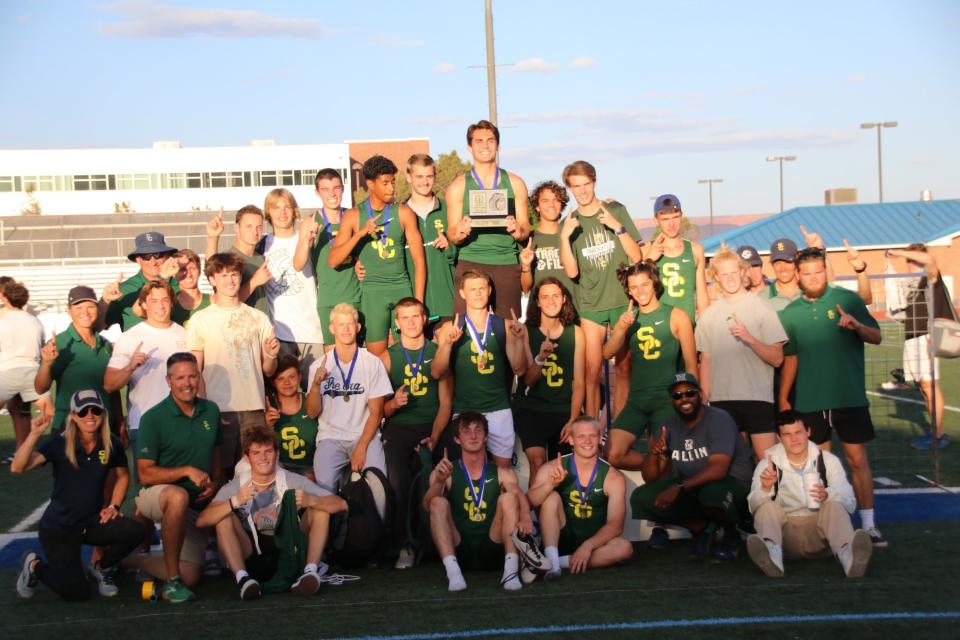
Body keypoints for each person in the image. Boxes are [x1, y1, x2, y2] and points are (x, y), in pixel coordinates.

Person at [778, 247, 886, 547]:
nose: (814, 277)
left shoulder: (847, 300)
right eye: (807, 272)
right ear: (798, 276)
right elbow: (791, 358)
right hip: (810, 402)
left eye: (819, 271)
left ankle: (868, 525)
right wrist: (784, 398)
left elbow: (876, 337)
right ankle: (826, 527)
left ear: (825, 270)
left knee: (857, 461)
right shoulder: (790, 313)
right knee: (817, 467)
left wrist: (856, 325)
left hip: (848, 398)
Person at [13, 390, 143, 600]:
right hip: (59, 527)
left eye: (95, 410)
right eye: (82, 411)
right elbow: (18, 468)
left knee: (134, 531)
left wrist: (114, 506)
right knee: (77, 593)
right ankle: (34, 566)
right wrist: (35, 434)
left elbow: (123, 476)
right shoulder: (59, 443)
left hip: (92, 523)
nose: (89, 415)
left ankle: (100, 567)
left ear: (103, 413)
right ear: (73, 416)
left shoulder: (112, 443)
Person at [196, 427, 347, 600]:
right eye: (256, 453)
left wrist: (311, 501)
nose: (263, 458)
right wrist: (235, 501)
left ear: (277, 454)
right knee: (223, 517)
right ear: (247, 458)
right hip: (251, 552)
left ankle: (310, 572)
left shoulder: (291, 479)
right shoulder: (238, 485)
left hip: (289, 549)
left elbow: (341, 504)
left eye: (268, 451)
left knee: (320, 509)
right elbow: (202, 521)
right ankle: (242, 578)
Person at [630, 373, 754, 560]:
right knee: (642, 497)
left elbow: (718, 469)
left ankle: (732, 533)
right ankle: (704, 528)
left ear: (700, 395)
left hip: (731, 484)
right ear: (672, 400)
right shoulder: (668, 424)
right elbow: (650, 478)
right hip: (693, 486)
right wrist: (654, 454)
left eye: (690, 393)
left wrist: (678, 487)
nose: (684, 399)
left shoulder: (719, 418)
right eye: (677, 396)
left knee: (711, 493)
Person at [132, 352, 222, 603]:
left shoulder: (211, 411)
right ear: (168, 381)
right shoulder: (153, 418)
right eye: (180, 377)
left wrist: (215, 484)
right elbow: (145, 473)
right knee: (177, 495)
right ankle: (172, 582)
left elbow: (216, 459)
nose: (187, 383)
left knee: (192, 576)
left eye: (192, 376)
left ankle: (128, 559)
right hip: (157, 494)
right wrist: (185, 470)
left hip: (195, 504)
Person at [423, 412, 545, 592]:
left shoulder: (502, 472)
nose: (473, 436)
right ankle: (453, 573)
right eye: (466, 431)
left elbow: (519, 495)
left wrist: (526, 516)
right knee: (438, 503)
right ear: (457, 439)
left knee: (509, 498)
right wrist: (440, 481)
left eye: (478, 431)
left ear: (486, 436)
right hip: (458, 546)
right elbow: (427, 505)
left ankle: (510, 571)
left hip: (493, 543)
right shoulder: (445, 471)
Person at [559, 161, 643, 418]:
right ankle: (593, 430)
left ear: (594, 182)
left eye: (586, 184)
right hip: (592, 304)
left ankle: (619, 427)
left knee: (624, 367)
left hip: (620, 298)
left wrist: (617, 227)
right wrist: (564, 237)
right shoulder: (570, 222)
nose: (583, 191)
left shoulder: (615, 209)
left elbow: (636, 256)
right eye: (576, 186)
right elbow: (572, 272)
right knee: (592, 371)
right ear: (570, 188)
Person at [745, 410, 873, 578]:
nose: (794, 439)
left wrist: (827, 495)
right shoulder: (767, 464)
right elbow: (752, 506)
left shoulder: (827, 461)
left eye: (798, 432)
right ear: (779, 437)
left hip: (820, 537)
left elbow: (849, 502)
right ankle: (771, 554)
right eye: (787, 434)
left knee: (834, 505)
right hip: (784, 539)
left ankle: (848, 555)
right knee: (766, 506)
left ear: (808, 432)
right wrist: (765, 488)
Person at [379, 297, 453, 568]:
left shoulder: (439, 350)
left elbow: (446, 403)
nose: (411, 322)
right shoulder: (387, 357)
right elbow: (380, 411)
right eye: (404, 318)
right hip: (399, 426)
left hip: (433, 425)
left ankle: (438, 543)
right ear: (397, 324)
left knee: (442, 479)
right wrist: (393, 404)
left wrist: (434, 436)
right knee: (398, 482)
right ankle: (404, 544)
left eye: (415, 316)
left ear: (424, 319)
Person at [188, 252, 279, 472]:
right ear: (212, 280)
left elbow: (269, 370)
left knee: (256, 474)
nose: (230, 280)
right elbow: (195, 370)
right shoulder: (200, 319)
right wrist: (205, 410)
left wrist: (270, 355)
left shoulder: (258, 318)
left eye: (235, 274)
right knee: (220, 474)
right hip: (219, 410)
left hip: (254, 410)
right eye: (223, 275)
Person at [327, 155, 426, 356]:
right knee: (376, 359)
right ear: (371, 184)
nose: (391, 188)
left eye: (393, 182)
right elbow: (333, 260)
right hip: (373, 293)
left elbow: (419, 262)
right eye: (385, 183)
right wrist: (361, 234)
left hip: (401, 289)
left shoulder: (404, 212)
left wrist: (418, 303)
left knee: (410, 353)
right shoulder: (354, 215)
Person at [602, 261, 697, 470]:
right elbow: (607, 353)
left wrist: (693, 398)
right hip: (636, 400)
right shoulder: (629, 318)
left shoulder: (676, 315)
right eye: (634, 287)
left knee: (663, 455)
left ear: (654, 284)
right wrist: (620, 329)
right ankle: (652, 467)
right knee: (612, 454)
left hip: (665, 400)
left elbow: (691, 362)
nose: (640, 291)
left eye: (644, 285)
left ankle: (660, 473)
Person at [431, 269, 530, 468]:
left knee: (502, 471)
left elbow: (519, 370)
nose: (477, 293)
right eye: (472, 289)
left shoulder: (506, 326)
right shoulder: (450, 328)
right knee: (469, 471)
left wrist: (519, 341)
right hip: (465, 411)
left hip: (498, 409)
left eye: (482, 288)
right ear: (462, 293)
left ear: (490, 290)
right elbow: (436, 372)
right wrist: (446, 345)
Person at [696, 245, 787, 459]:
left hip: (758, 398)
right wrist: (704, 400)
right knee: (732, 467)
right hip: (721, 401)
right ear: (716, 277)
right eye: (724, 274)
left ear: (743, 272)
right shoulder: (708, 316)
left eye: (734, 272)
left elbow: (777, 358)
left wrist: (750, 339)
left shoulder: (762, 308)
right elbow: (706, 361)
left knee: (768, 464)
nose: (730, 278)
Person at [526, 416, 632, 579]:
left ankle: (560, 562)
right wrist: (549, 484)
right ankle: (552, 561)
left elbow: (616, 525)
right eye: (581, 436)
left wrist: (587, 546)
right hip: (558, 539)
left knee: (624, 549)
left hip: (594, 544)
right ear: (571, 440)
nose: (587, 441)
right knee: (550, 497)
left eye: (592, 436)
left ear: (599, 438)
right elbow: (527, 504)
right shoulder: (552, 467)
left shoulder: (613, 477)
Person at [104, 280, 187, 483]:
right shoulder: (130, 337)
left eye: (165, 300)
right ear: (143, 304)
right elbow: (109, 384)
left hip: (182, 423)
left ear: (172, 302)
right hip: (144, 424)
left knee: (182, 489)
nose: (160, 306)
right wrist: (130, 366)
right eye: (154, 301)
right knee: (147, 491)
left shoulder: (185, 335)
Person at [446, 120, 530, 318]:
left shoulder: (516, 183)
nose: (485, 145)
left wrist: (519, 231)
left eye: (490, 140)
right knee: (464, 330)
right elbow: (451, 232)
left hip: (506, 262)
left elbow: (526, 227)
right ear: (469, 147)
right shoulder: (458, 186)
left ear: (498, 145)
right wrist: (458, 233)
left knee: (510, 330)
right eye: (479, 141)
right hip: (471, 260)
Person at [306, 303, 393, 492]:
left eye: (350, 324)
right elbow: (312, 413)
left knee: (379, 488)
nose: (346, 329)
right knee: (323, 489)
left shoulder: (372, 363)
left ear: (358, 327)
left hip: (365, 436)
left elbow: (377, 413)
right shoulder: (318, 366)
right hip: (330, 437)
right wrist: (315, 386)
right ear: (332, 328)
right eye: (340, 324)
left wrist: (361, 448)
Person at [514, 278, 585, 480]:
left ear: (564, 299)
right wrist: (541, 358)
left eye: (555, 296)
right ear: (537, 302)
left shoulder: (576, 333)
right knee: (538, 462)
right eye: (545, 297)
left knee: (562, 470)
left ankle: (556, 511)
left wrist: (573, 419)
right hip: (531, 407)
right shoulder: (527, 331)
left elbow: (579, 381)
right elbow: (528, 380)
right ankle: (535, 512)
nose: (551, 301)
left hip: (562, 409)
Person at [887, 245, 950, 449]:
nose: (909, 263)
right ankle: (934, 432)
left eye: (913, 259)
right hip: (912, 337)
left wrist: (901, 253)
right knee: (923, 387)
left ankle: (937, 435)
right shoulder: (911, 284)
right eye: (908, 261)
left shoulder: (929, 277)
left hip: (926, 337)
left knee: (929, 385)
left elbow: (930, 259)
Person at [35, 286, 121, 435]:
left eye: (90, 307)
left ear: (98, 309)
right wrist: (46, 363)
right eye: (79, 307)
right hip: (69, 426)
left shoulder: (105, 344)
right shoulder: (60, 343)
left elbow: (113, 389)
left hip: (104, 426)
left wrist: (119, 422)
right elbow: (40, 388)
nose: (85, 312)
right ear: (69, 311)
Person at [259, 188, 325, 378]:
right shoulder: (262, 245)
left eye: (287, 207)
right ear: (268, 213)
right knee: (284, 395)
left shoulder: (308, 237)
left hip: (311, 331)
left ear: (295, 211)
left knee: (314, 392)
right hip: (279, 333)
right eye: (276, 207)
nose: (282, 212)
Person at [293, 168, 361, 351]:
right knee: (333, 363)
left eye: (336, 188)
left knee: (361, 358)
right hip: (329, 299)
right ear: (317, 192)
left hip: (358, 297)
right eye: (325, 189)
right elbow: (298, 264)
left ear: (343, 189)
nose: (332, 194)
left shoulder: (354, 216)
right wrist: (307, 240)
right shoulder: (310, 222)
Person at [0, 280, 52, 458]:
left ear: (5, 299)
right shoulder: (36, 322)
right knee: (52, 412)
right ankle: (70, 446)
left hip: (7, 374)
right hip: (32, 373)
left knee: (19, 412)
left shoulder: (2, 322)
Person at [405, 154, 457, 330]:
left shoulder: (449, 210)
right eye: (419, 176)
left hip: (446, 303)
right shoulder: (400, 215)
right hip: (412, 308)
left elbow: (463, 253)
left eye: (429, 176)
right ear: (408, 177)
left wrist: (450, 246)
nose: (424, 182)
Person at [643, 194, 708, 322]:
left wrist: (706, 326)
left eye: (675, 217)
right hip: (657, 329)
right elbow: (633, 288)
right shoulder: (645, 250)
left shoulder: (696, 250)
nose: (671, 224)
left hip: (688, 328)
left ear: (681, 216)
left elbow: (702, 295)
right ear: (656, 220)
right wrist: (648, 260)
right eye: (665, 219)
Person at [100, 232, 179, 331]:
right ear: (138, 259)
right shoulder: (124, 290)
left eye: (158, 254)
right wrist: (105, 301)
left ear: (167, 255)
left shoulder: (181, 285)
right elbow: (98, 327)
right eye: (146, 256)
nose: (153, 262)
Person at [519, 181, 578, 310]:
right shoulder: (528, 240)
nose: (551, 205)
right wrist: (526, 266)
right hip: (540, 314)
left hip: (571, 308)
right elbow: (525, 288)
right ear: (537, 206)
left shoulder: (572, 233)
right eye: (545, 201)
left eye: (556, 200)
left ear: (561, 204)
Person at [205, 206, 272, 315]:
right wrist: (213, 237)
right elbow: (225, 301)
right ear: (237, 228)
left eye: (259, 227)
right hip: (240, 327)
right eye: (249, 227)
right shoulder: (229, 258)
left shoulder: (261, 258)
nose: (255, 232)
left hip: (263, 327)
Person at [264, 354, 318, 479]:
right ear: (273, 382)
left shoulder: (311, 401)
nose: (287, 383)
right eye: (280, 379)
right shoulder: (268, 407)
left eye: (291, 377)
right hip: (280, 468)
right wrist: (267, 426)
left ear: (300, 377)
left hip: (311, 468)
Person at [170, 249, 211, 327]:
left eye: (192, 268)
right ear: (173, 273)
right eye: (182, 269)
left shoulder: (212, 301)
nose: (188, 274)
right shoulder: (169, 304)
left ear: (199, 270)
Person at [758, 238, 801, 312]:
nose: (783, 268)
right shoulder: (762, 298)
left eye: (787, 261)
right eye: (777, 263)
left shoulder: (809, 291)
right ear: (772, 265)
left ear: (796, 262)